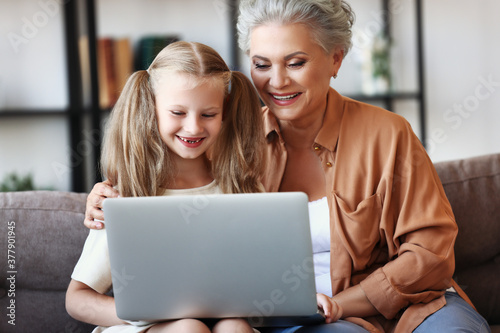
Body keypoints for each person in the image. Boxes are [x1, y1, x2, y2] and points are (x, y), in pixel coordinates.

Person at [83, 1, 491, 332]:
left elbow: (431, 253)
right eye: (261, 65)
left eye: (295, 62)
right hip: (298, 318)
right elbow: (169, 183)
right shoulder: (229, 144)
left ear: (335, 59)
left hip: (415, 305)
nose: (276, 82)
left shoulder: (389, 134)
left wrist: (342, 302)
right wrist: (106, 195)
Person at [66, 41, 266, 333]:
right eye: (178, 113)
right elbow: (77, 299)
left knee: (234, 327)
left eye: (208, 114)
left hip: (221, 324)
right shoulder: (128, 195)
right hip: (143, 327)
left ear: (224, 114)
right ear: (152, 109)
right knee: (188, 329)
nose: (194, 128)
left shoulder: (242, 190)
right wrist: (149, 315)